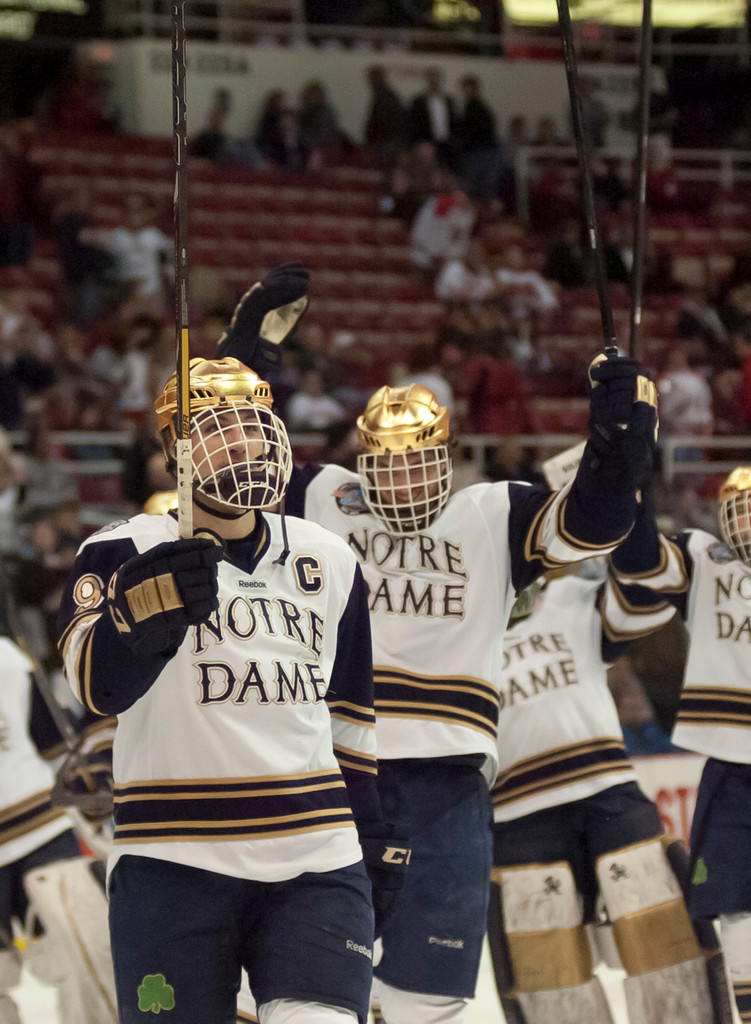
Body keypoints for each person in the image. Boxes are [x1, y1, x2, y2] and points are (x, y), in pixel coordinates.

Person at [217, 265, 660, 1024]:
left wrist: (618, 439)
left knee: (428, 996)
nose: (403, 478)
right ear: (363, 460)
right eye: (387, 463)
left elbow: (593, 522)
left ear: (448, 458)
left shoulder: (493, 512)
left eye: (418, 462)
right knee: (299, 979)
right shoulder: (324, 496)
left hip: (448, 782)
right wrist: (246, 355)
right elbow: (230, 463)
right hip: (327, 766)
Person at [57, 356, 405, 1024]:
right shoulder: (120, 550)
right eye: (221, 429)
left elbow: (351, 721)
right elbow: (96, 689)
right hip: (170, 863)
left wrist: (370, 839)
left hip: (317, 859)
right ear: (171, 450)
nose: (247, 443)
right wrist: (139, 620)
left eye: (255, 425)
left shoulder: (328, 557)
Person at [488, 547, 718, 1024]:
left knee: (666, 945)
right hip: (515, 816)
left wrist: (625, 513)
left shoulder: (574, 595)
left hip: (609, 793)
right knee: (548, 981)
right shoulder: (455, 630)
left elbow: (643, 587)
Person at [608, 467, 751, 1024]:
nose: (745, 522)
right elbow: (641, 560)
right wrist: (634, 476)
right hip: (730, 763)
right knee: (735, 905)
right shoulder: (704, 554)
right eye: (739, 510)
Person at [0, 620, 116, 1024]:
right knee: (87, 954)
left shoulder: (8, 659)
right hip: (43, 826)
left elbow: (54, 747)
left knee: (89, 954)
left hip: (41, 827)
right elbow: (55, 748)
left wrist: (86, 788)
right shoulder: (8, 657)